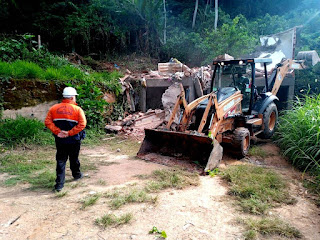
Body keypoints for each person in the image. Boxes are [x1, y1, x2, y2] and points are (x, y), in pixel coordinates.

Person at [45, 87, 87, 192]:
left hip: (60, 140)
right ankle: (76, 175)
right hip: (74, 139)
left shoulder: (53, 108)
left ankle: (59, 185)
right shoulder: (77, 110)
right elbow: (82, 124)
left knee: (61, 160)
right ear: (72, 97)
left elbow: (48, 122)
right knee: (74, 158)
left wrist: (58, 131)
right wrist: (69, 133)